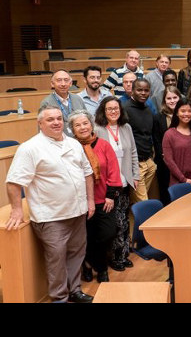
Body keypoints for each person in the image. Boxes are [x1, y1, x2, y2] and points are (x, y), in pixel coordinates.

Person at [5, 105, 95, 303]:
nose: (56, 122)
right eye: (50, 119)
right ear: (39, 123)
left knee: (77, 253)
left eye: (59, 118)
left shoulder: (73, 143)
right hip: (52, 216)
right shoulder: (30, 148)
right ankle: (59, 298)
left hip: (78, 211)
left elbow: (87, 173)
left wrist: (89, 201)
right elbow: (13, 182)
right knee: (56, 260)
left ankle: (75, 290)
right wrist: (17, 210)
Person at [69, 110, 122, 284]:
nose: (83, 127)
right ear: (72, 129)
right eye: (78, 125)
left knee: (107, 234)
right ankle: (99, 268)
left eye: (85, 123)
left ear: (91, 125)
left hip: (103, 200)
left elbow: (114, 170)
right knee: (87, 237)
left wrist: (110, 196)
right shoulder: (70, 148)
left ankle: (94, 263)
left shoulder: (104, 145)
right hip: (80, 202)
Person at [94, 96, 140, 270]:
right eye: (109, 109)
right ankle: (115, 257)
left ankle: (124, 254)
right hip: (108, 185)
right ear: (103, 111)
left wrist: (135, 175)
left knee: (125, 220)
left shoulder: (126, 127)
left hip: (125, 181)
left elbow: (133, 152)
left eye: (116, 108)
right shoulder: (97, 129)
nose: (113, 111)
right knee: (115, 223)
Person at [123, 78, 156, 203]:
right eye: (139, 90)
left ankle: (132, 219)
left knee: (138, 199)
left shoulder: (147, 109)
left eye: (146, 90)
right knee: (144, 202)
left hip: (148, 162)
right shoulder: (125, 110)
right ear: (132, 91)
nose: (143, 93)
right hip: (135, 164)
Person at [162, 99, 191, 188]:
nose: (186, 114)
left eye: (189, 111)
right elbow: (169, 160)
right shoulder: (169, 134)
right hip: (179, 183)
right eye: (183, 111)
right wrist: (184, 179)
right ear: (176, 113)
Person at [152, 86, 183, 206]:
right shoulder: (158, 118)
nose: (172, 101)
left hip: (182, 161)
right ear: (164, 101)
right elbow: (157, 140)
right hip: (165, 163)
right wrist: (167, 158)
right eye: (169, 98)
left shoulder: (185, 115)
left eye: (175, 97)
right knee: (166, 194)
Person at [40, 69, 87, 136]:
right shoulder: (46, 103)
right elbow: (42, 128)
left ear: (71, 83)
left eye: (66, 80)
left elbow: (87, 120)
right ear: (52, 84)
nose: (63, 84)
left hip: (80, 139)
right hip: (58, 141)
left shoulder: (77, 99)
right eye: (59, 80)